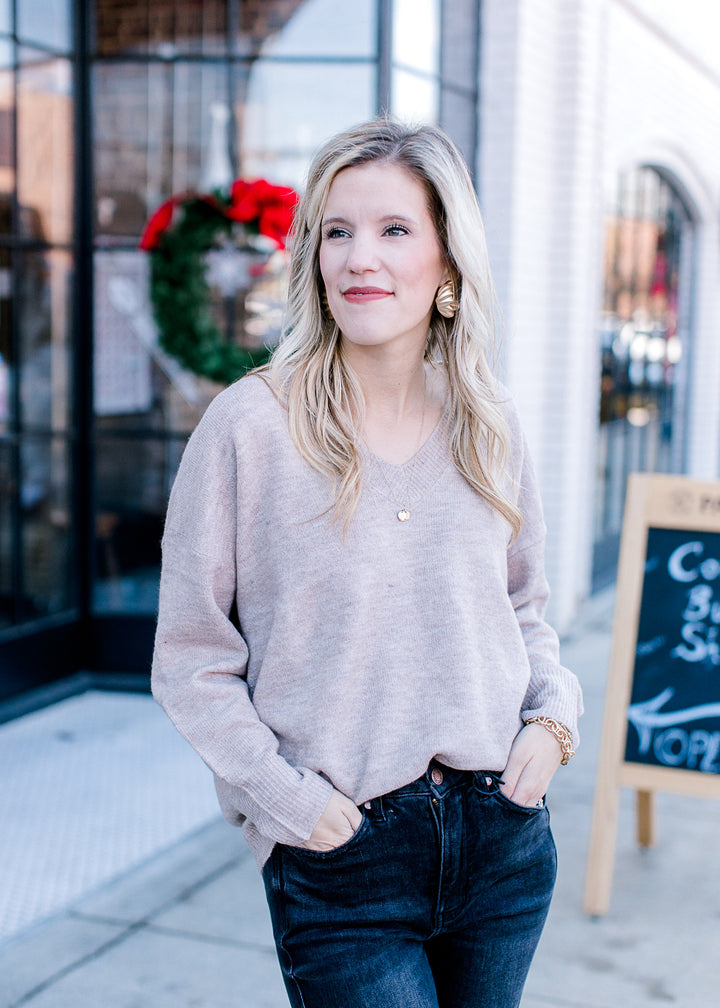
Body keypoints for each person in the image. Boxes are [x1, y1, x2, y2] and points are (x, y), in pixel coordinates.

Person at [152, 117, 583, 1008]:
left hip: (500, 840)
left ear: (448, 263)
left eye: (394, 230)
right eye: (337, 231)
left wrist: (552, 725)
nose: (360, 259)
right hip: (341, 857)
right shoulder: (249, 428)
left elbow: (524, 609)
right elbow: (191, 660)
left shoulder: (489, 424)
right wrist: (285, 800)